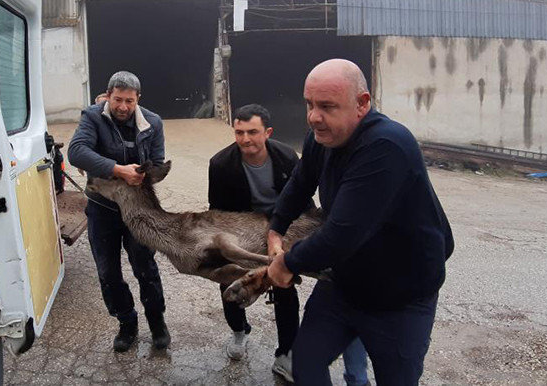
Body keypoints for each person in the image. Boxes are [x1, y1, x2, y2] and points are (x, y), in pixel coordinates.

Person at [266, 59, 454, 385]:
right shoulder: (321, 138)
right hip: (344, 287)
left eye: (326, 106)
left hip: (401, 299)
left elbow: (342, 233)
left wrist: (287, 263)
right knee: (304, 366)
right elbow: (300, 183)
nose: (313, 117)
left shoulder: (386, 145)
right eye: (309, 104)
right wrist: (275, 229)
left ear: (362, 104)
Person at [209, 104, 369, 384]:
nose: (245, 139)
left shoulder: (285, 156)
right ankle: (239, 331)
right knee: (230, 284)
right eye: (239, 132)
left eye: (252, 132)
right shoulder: (221, 164)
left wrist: (302, 236)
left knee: (285, 286)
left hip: (281, 228)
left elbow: (302, 199)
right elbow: (217, 212)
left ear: (267, 132)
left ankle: (285, 353)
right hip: (242, 230)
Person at [68, 71, 171, 352]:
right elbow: (76, 151)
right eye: (117, 100)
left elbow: (157, 160)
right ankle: (126, 323)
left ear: (138, 99)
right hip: (102, 210)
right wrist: (117, 170)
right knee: (108, 273)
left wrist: (149, 172)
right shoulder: (92, 117)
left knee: (146, 268)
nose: (123, 107)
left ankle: (157, 322)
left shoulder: (153, 122)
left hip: (138, 212)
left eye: (129, 100)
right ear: (108, 96)